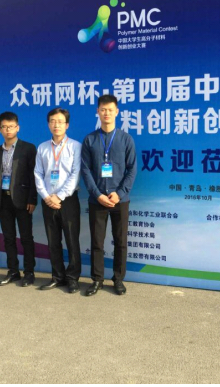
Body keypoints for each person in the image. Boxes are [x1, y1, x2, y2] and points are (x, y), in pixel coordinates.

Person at [81, 94, 137, 296]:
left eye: (110, 110)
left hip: (120, 201)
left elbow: (132, 169)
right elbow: (85, 170)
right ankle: (97, 279)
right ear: (98, 111)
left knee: (120, 242)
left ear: (117, 112)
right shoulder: (90, 139)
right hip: (97, 200)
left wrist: (119, 194)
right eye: (103, 109)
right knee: (97, 242)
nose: (106, 113)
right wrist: (97, 195)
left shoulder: (125, 139)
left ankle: (118, 279)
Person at [34, 108, 82, 293]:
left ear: (67, 125)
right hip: (48, 201)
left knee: (72, 240)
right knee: (53, 241)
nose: (56, 125)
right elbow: (38, 174)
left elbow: (75, 174)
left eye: (60, 121)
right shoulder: (42, 147)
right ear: (48, 124)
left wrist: (59, 196)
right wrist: (46, 196)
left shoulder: (75, 146)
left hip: (68, 200)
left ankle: (72, 278)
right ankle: (57, 276)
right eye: (53, 121)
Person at [0, 112, 38, 287]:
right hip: (3, 201)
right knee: (8, 238)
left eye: (11, 126)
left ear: (17, 127)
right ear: (0, 129)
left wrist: (32, 199)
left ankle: (29, 272)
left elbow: (34, 176)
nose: (8, 130)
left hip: (23, 200)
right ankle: (13, 271)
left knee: (26, 238)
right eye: (4, 127)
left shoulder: (28, 148)